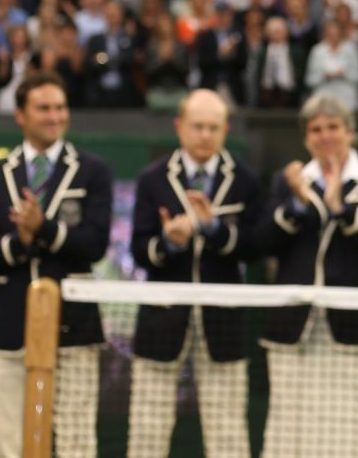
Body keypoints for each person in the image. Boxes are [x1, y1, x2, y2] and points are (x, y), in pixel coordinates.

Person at [254, 92, 358, 458]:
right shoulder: (288, 183)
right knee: (296, 425)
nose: (325, 136)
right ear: (307, 137)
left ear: (351, 132)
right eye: (316, 129)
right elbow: (264, 243)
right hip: (298, 330)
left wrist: (341, 209)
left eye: (333, 127)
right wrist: (295, 205)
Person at [0, 71, 111, 458]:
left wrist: (44, 228)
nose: (54, 116)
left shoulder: (93, 171)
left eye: (61, 107)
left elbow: (95, 244)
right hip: (6, 323)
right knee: (1, 441)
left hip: (76, 324)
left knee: (76, 441)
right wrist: (21, 242)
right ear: (20, 114)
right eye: (43, 108)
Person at [128, 89, 263, 458]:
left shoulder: (245, 180)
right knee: (147, 430)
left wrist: (213, 229)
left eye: (213, 127)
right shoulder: (152, 179)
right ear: (179, 127)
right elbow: (140, 250)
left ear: (225, 130)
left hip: (224, 323)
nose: (205, 135)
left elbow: (256, 246)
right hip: (161, 322)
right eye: (197, 126)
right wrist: (170, 242)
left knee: (227, 433)